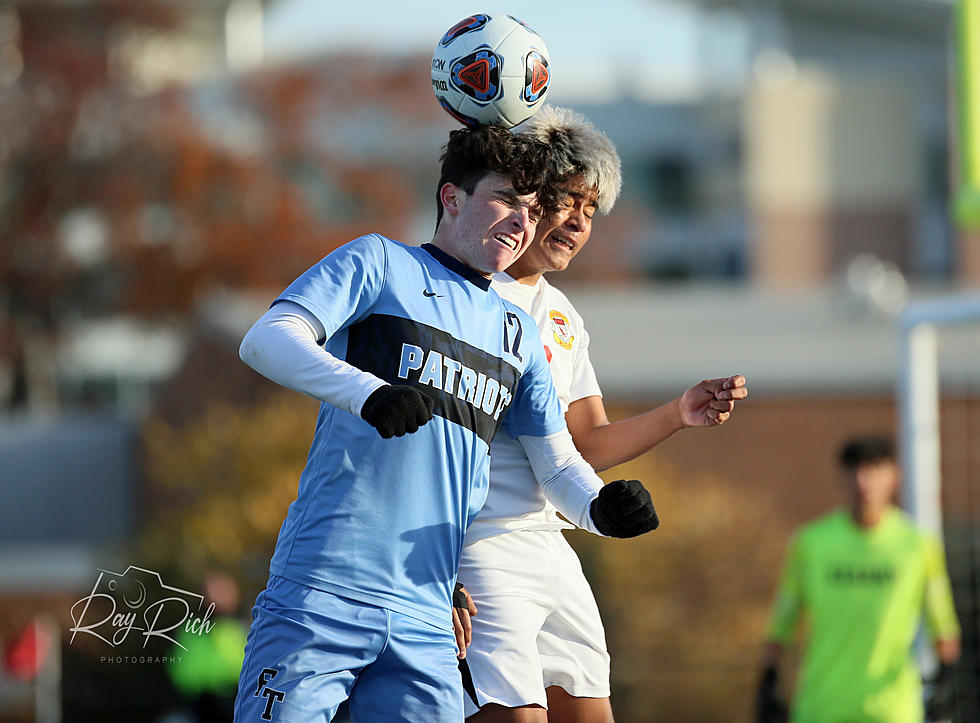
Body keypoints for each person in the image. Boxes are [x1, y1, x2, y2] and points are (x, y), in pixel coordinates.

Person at [232, 124, 659, 723]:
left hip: (427, 619)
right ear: (452, 198)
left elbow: (559, 463)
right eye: (506, 200)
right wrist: (369, 393)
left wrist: (601, 509)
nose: (521, 221)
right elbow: (268, 340)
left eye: (534, 209)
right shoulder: (380, 261)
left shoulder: (520, 336)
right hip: (322, 591)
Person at [455, 106, 749, 722]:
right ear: (528, 198)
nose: (578, 223)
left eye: (592, 210)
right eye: (568, 201)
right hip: (477, 546)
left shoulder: (561, 314)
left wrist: (677, 413)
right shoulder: (458, 292)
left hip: (552, 544)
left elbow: (581, 444)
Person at [756, 436, 961, 723]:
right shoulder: (812, 543)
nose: (865, 480)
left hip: (893, 708)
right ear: (841, 476)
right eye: (855, 469)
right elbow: (783, 621)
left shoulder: (917, 547)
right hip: (821, 705)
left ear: (894, 477)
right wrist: (768, 682)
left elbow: (942, 620)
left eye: (876, 468)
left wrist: (947, 680)